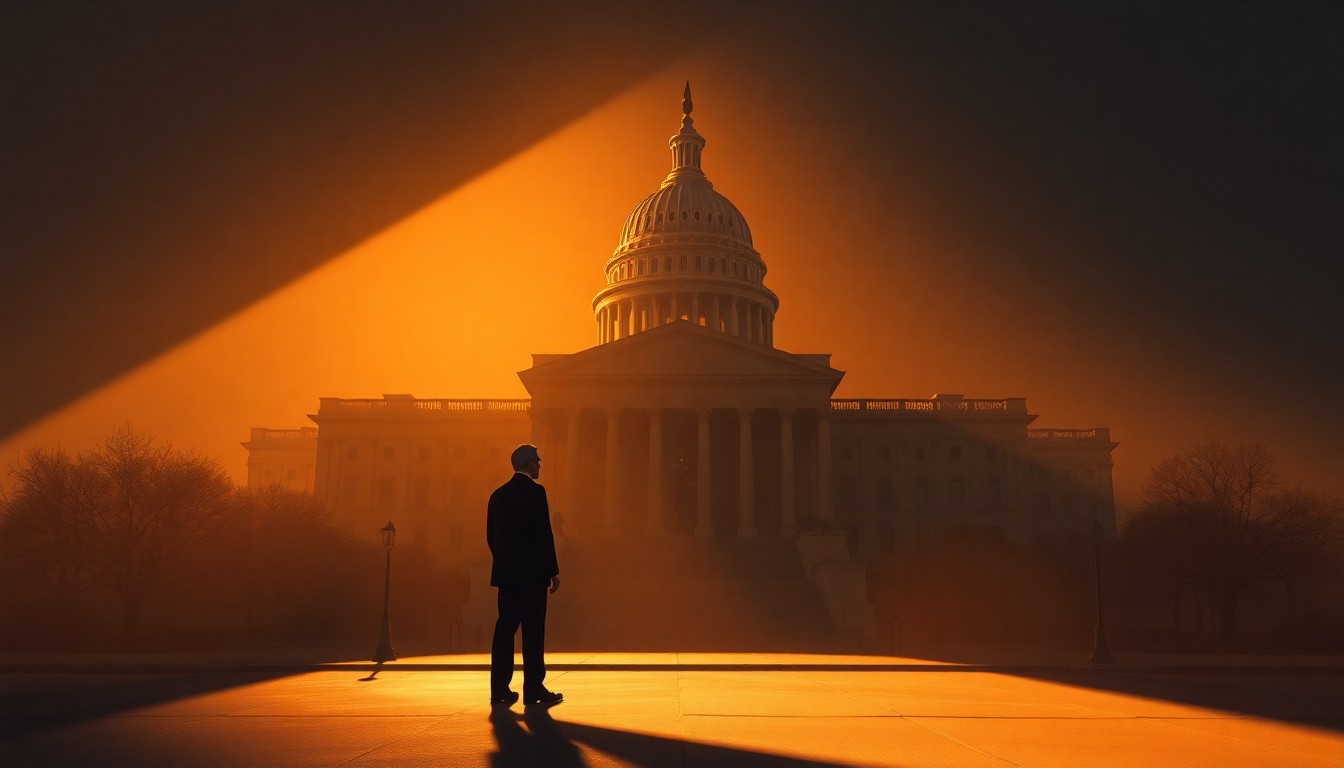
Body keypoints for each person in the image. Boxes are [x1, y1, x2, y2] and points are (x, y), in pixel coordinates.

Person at [487, 444, 563, 706]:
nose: (539, 465)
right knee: (533, 633)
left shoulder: (497, 496)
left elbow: (491, 537)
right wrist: (552, 570)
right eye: (537, 461)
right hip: (532, 577)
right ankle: (533, 689)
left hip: (506, 576)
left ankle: (499, 689)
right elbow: (543, 534)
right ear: (529, 462)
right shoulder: (535, 492)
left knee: (504, 631)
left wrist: (505, 563)